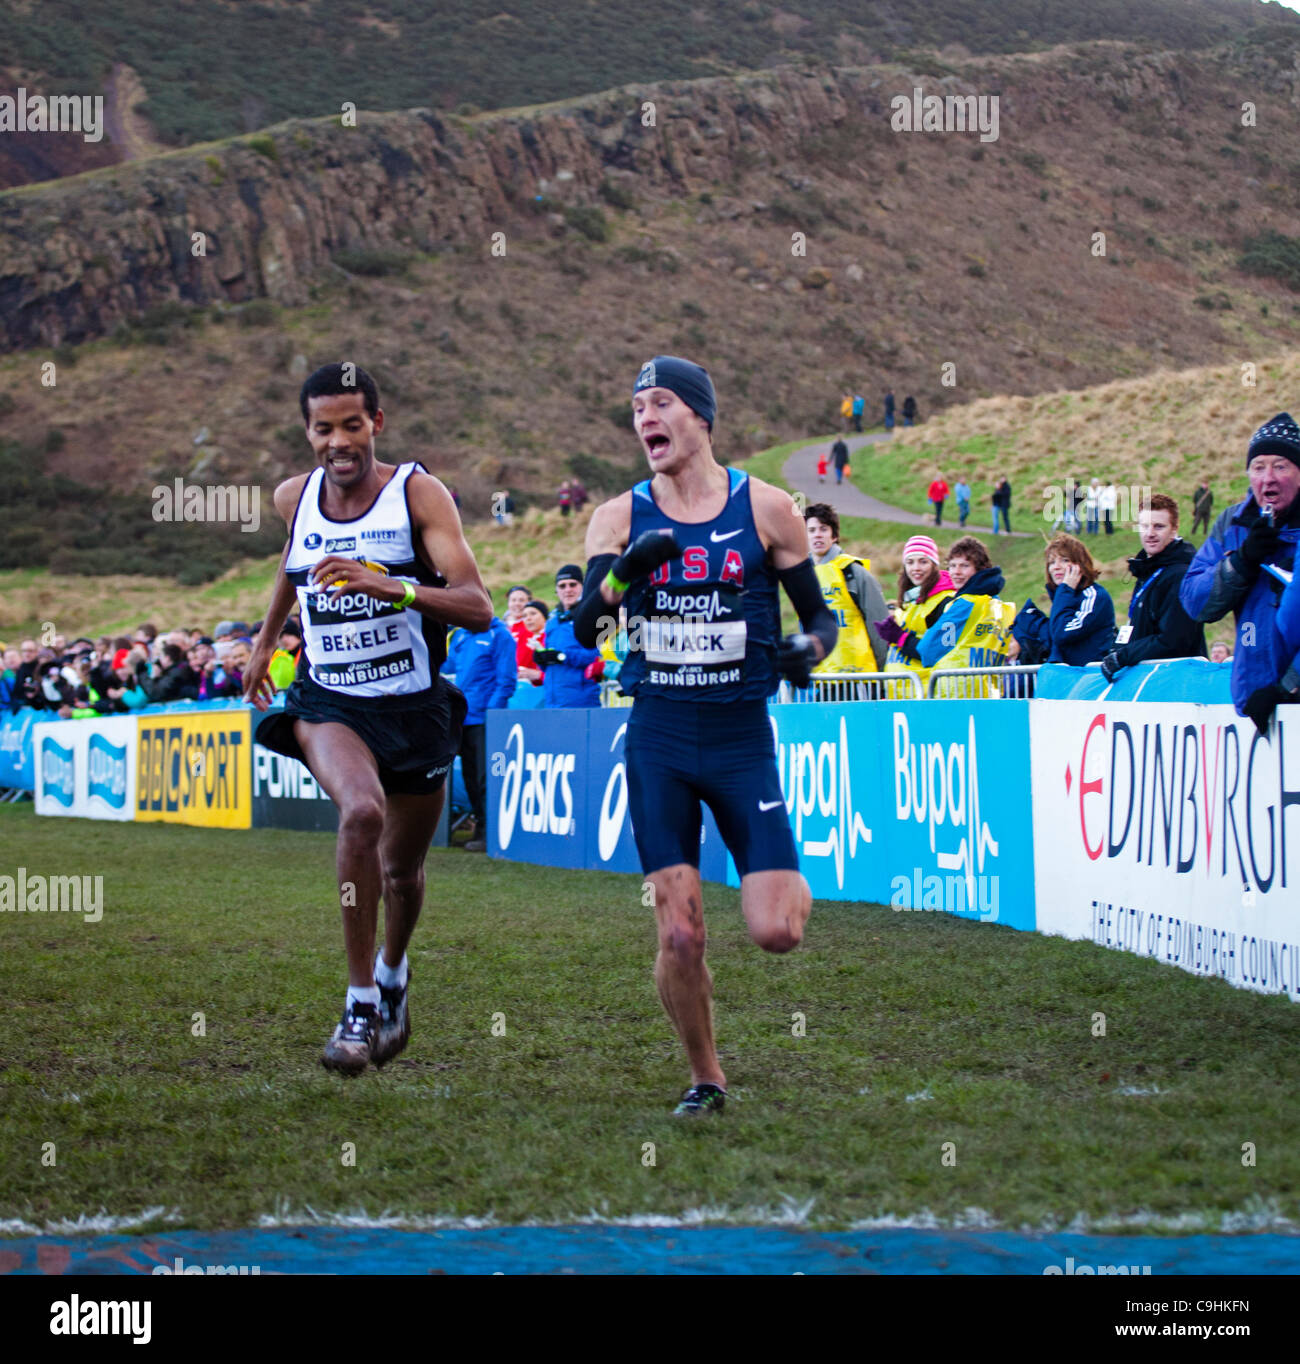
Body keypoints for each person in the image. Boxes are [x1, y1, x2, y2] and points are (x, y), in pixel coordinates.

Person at [573, 354, 838, 1116]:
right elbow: (588, 623)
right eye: (635, 409)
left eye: (660, 404)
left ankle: (785, 882)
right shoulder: (619, 517)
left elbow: (816, 617)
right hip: (658, 738)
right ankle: (706, 1074)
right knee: (682, 935)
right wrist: (628, 572)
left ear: (701, 417)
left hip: (739, 740)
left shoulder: (767, 509)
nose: (645, 420)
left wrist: (809, 649)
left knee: (775, 931)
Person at [243, 362, 491, 1075]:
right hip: (331, 702)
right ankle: (358, 1004)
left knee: (404, 874)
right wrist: (264, 644)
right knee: (360, 813)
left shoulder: (418, 493)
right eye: (324, 428)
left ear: (376, 424)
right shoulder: (295, 498)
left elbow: (477, 605)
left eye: (353, 425)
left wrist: (392, 587)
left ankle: (392, 976)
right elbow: (292, 572)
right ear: (309, 432)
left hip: (413, 707)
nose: (339, 442)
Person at [1181, 412, 1300, 732]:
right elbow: (1195, 601)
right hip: (1253, 706)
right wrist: (1242, 563)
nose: (1268, 477)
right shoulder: (1233, 524)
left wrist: (1288, 686)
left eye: (1280, 466)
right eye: (1258, 467)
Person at [1098, 495, 1206, 682]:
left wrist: (1123, 656)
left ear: (1174, 529)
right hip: (1149, 679)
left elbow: (1173, 640)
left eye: (1159, 526)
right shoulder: (1146, 570)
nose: (1150, 533)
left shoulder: (1180, 575)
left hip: (1175, 682)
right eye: (1145, 526)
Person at [446, 613, 517, 853]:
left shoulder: (500, 635)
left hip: (485, 719)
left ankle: (490, 833)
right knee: (469, 777)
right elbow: (451, 667)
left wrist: (492, 715)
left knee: (485, 777)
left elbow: (506, 680)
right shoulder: (461, 635)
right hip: (464, 717)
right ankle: (479, 825)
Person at [918, 537, 1010, 691]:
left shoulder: (965, 603)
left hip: (956, 691)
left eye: (964, 566)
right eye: (952, 566)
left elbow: (927, 650)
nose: (956, 572)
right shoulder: (997, 604)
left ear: (979, 569)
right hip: (988, 690)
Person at [805, 503, 888, 673]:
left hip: (857, 677)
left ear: (834, 536)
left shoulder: (853, 572)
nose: (817, 535)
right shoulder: (803, 576)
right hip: (822, 678)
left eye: (823, 529)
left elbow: (879, 625)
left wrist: (882, 674)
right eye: (811, 530)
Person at [875, 535, 956, 694]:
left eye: (923, 561)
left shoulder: (944, 601)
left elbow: (936, 652)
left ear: (934, 565)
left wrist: (899, 638)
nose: (916, 568)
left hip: (925, 693)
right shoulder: (910, 598)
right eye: (910, 562)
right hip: (900, 693)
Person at [1043, 533, 1116, 664]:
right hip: (1067, 677)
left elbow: (1062, 633)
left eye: (1065, 560)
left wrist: (1065, 590)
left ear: (1080, 565)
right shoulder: (1062, 597)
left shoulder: (1094, 596)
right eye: (1052, 562)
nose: (1056, 567)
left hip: (1088, 676)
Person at [539, 564, 601, 707]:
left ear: (582, 587)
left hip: (581, 699)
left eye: (573, 584)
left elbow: (595, 656)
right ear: (556, 590)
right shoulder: (552, 621)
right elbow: (549, 662)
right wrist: (541, 659)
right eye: (562, 586)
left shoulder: (591, 616)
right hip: (553, 699)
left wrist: (563, 656)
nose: (568, 590)